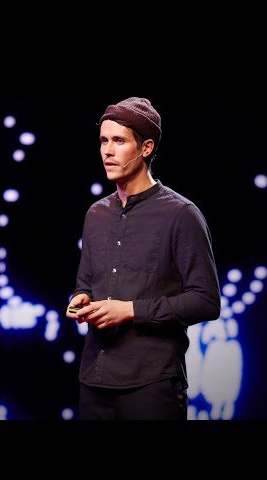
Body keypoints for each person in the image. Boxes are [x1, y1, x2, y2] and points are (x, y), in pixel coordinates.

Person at [66, 97, 220, 420]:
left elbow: (206, 301)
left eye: (119, 141)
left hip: (151, 384)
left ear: (146, 148)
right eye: (103, 141)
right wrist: (81, 300)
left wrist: (130, 311)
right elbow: (85, 285)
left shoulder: (181, 214)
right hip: (94, 379)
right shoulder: (96, 214)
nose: (107, 151)